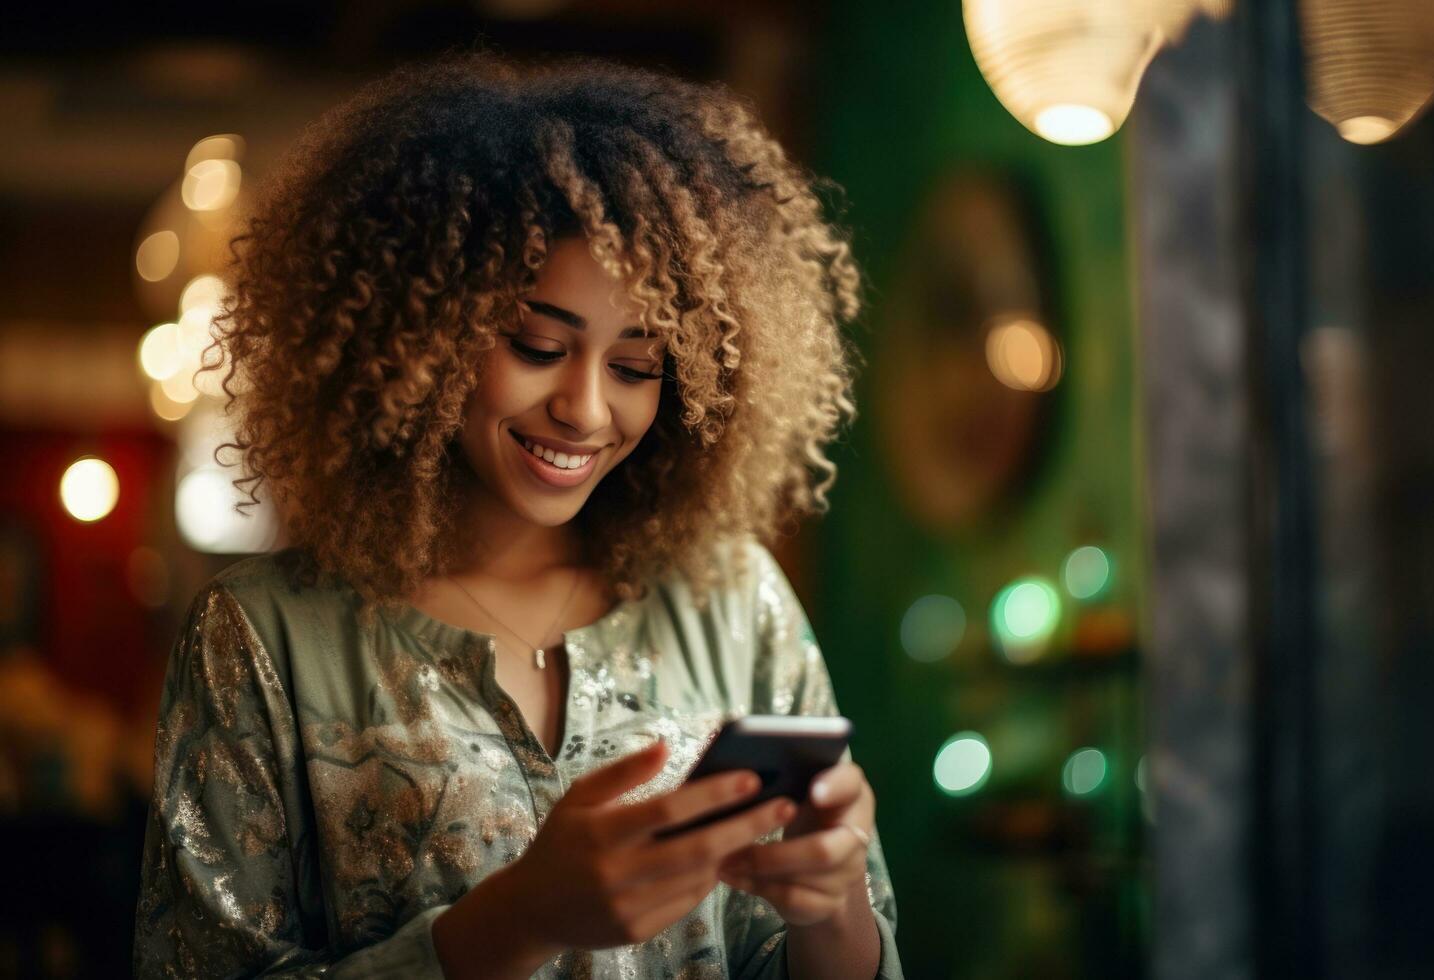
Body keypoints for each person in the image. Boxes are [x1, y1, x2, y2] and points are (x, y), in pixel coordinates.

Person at [134, 53, 902, 979]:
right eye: (539, 345)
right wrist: (519, 918)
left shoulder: (732, 601)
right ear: (416, 335)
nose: (584, 408)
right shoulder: (263, 638)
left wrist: (834, 900)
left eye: (634, 366)